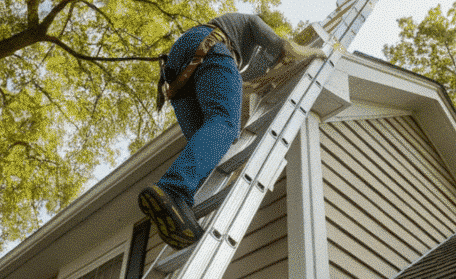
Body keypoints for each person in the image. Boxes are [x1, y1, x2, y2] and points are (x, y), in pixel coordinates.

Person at [139, 13, 324, 249]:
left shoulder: (236, 42)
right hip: (207, 46)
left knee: (209, 146)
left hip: (176, 71)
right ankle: (173, 189)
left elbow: (240, 78)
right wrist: (314, 53)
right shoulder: (250, 21)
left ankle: (178, 207)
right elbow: (284, 46)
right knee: (225, 125)